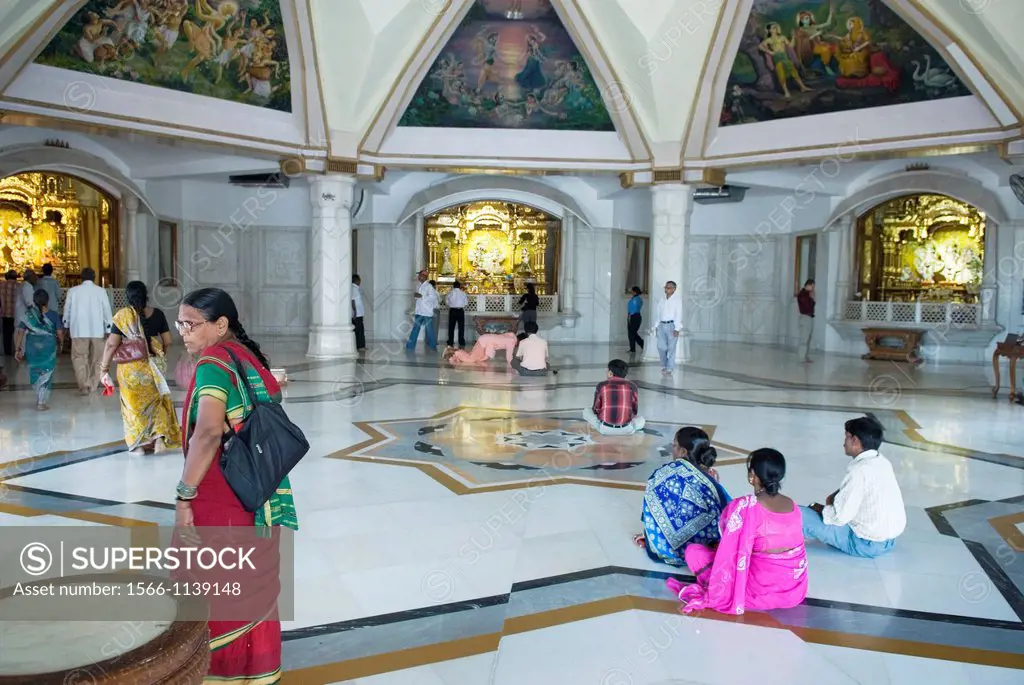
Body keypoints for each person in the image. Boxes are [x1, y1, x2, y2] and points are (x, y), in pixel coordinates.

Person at [173, 287, 295, 684]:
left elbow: (207, 433)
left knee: (210, 586)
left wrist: (184, 495)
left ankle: (214, 674)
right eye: (180, 324)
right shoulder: (245, 358)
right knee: (251, 586)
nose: (182, 333)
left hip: (220, 494)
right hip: (258, 493)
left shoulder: (213, 363)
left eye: (190, 324)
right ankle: (257, 672)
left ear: (220, 324)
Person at [667, 448, 808, 615]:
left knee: (694, 552)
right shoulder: (793, 506)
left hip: (754, 594)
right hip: (793, 592)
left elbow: (727, 544)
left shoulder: (745, 507)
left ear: (752, 476)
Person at [800, 417, 906, 558]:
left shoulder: (859, 470)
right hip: (888, 542)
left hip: (863, 544)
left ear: (855, 441)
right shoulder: (881, 461)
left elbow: (839, 518)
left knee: (798, 514)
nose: (844, 443)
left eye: (846, 437)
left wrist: (819, 508)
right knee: (829, 506)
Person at [99, 281, 181, 455]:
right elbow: (168, 341)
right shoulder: (158, 314)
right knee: (156, 403)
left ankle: (139, 446)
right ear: (146, 295)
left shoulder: (122, 316)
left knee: (133, 407)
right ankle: (159, 438)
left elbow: (111, 345)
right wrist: (160, 356)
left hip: (130, 371)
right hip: (153, 368)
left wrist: (104, 369)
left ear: (128, 297)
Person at [634, 427, 730, 565]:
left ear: (683, 452)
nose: (672, 449)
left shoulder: (664, 473)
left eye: (674, 445)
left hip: (669, 548)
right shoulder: (712, 475)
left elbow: (652, 502)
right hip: (710, 541)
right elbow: (723, 508)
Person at [63, 267, 113, 395]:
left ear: (81, 277)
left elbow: (67, 310)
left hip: (78, 330)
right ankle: (93, 385)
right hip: (98, 331)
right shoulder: (101, 291)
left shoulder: (73, 291)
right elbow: (107, 310)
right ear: (94, 277)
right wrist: (108, 327)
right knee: (98, 359)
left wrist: (66, 325)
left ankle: (83, 385)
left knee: (79, 357)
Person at [14, 289, 64, 411]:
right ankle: (41, 401)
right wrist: (61, 343)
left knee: (35, 370)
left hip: (32, 347)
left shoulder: (28, 315)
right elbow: (59, 332)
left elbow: (20, 332)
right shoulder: (53, 315)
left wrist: (17, 349)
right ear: (47, 301)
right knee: (47, 371)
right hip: (49, 347)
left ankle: (39, 396)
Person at [583, 359, 645, 435]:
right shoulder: (632, 386)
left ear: (610, 372)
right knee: (641, 419)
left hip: (605, 429)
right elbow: (634, 410)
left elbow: (596, 409)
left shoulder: (602, 385)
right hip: (627, 430)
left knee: (586, 411)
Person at [651, 280, 683, 376]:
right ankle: (664, 364)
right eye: (666, 287)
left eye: (668, 288)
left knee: (671, 348)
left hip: (672, 325)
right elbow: (658, 314)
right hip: (661, 325)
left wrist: (677, 328)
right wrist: (656, 325)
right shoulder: (662, 299)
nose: (666, 289)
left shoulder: (677, 300)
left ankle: (669, 368)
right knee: (661, 347)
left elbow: (679, 314)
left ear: (674, 289)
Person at [406, 270, 438, 351]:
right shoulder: (418, 286)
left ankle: (433, 345)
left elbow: (433, 297)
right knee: (415, 328)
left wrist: (422, 296)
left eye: (420, 275)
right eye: (419, 275)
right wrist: (416, 296)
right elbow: (418, 297)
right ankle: (410, 346)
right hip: (419, 311)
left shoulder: (429, 286)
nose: (418, 277)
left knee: (429, 329)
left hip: (427, 312)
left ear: (424, 276)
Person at [444, 332, 518, 366]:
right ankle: (455, 353)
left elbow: (498, 339)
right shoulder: (511, 341)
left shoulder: (510, 337)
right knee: (472, 359)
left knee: (472, 355)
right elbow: (509, 357)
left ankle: (454, 353)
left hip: (484, 338)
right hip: (485, 341)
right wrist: (513, 364)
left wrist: (485, 357)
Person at [1, 270, 19, 356]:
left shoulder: (2, 285)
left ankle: (7, 351)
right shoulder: (19, 285)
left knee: (6, 333)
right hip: (16, 313)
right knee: (16, 332)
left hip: (5, 312)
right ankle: (15, 349)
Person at [797, 279, 815, 363]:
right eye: (812, 286)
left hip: (808, 318)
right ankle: (801, 357)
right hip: (805, 318)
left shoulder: (806, 294)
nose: (813, 288)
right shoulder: (803, 294)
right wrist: (811, 299)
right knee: (804, 338)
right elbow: (807, 307)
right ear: (808, 285)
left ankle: (805, 356)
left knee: (807, 338)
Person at [447, 280, 468, 348]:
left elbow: (447, 302)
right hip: (460, 311)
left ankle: (450, 341)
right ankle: (461, 341)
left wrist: (451, 304)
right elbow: (465, 303)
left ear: (453, 286)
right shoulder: (463, 293)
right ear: (459, 286)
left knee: (451, 327)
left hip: (452, 311)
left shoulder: (450, 293)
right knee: (461, 327)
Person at [627, 286, 644, 354]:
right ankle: (634, 348)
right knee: (632, 333)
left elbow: (633, 309)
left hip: (634, 317)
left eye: (632, 290)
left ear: (634, 291)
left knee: (632, 333)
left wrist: (630, 316)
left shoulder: (636, 299)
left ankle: (638, 346)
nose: (631, 292)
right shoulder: (637, 299)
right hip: (634, 316)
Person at [351, 274, 366, 352]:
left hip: (359, 313)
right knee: (358, 330)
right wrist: (355, 312)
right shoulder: (353, 289)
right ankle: (359, 346)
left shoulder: (356, 289)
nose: (360, 281)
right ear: (356, 280)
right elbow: (352, 301)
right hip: (357, 314)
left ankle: (361, 345)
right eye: (359, 280)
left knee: (360, 329)